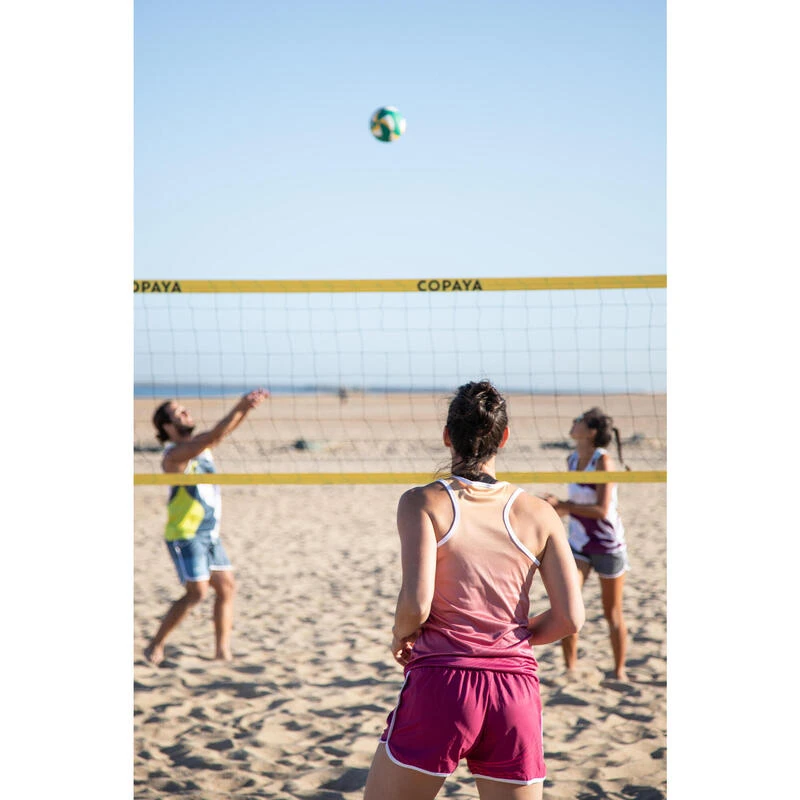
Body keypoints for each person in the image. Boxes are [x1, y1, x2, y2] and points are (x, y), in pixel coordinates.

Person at [363, 380, 585, 800]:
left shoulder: (422, 501)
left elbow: (417, 603)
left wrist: (400, 635)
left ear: (447, 436)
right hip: (515, 692)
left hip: (442, 682)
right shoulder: (539, 512)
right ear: (504, 437)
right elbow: (571, 618)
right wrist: (511, 640)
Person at [144, 388, 269, 666]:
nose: (186, 412)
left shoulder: (202, 447)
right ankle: (156, 644)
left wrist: (246, 409)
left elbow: (218, 435)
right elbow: (214, 436)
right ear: (167, 426)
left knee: (226, 587)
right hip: (185, 534)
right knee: (197, 593)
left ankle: (222, 653)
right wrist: (241, 405)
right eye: (179, 412)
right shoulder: (174, 456)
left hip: (209, 533)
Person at [542, 407, 630, 681]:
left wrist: (563, 505)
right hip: (579, 544)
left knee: (612, 612)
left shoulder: (602, 461)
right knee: (567, 607)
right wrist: (556, 507)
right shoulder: (571, 458)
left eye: (579, 420)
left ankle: (619, 671)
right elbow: (577, 503)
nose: (574, 422)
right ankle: (570, 669)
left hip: (607, 544)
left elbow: (601, 510)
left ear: (591, 431)